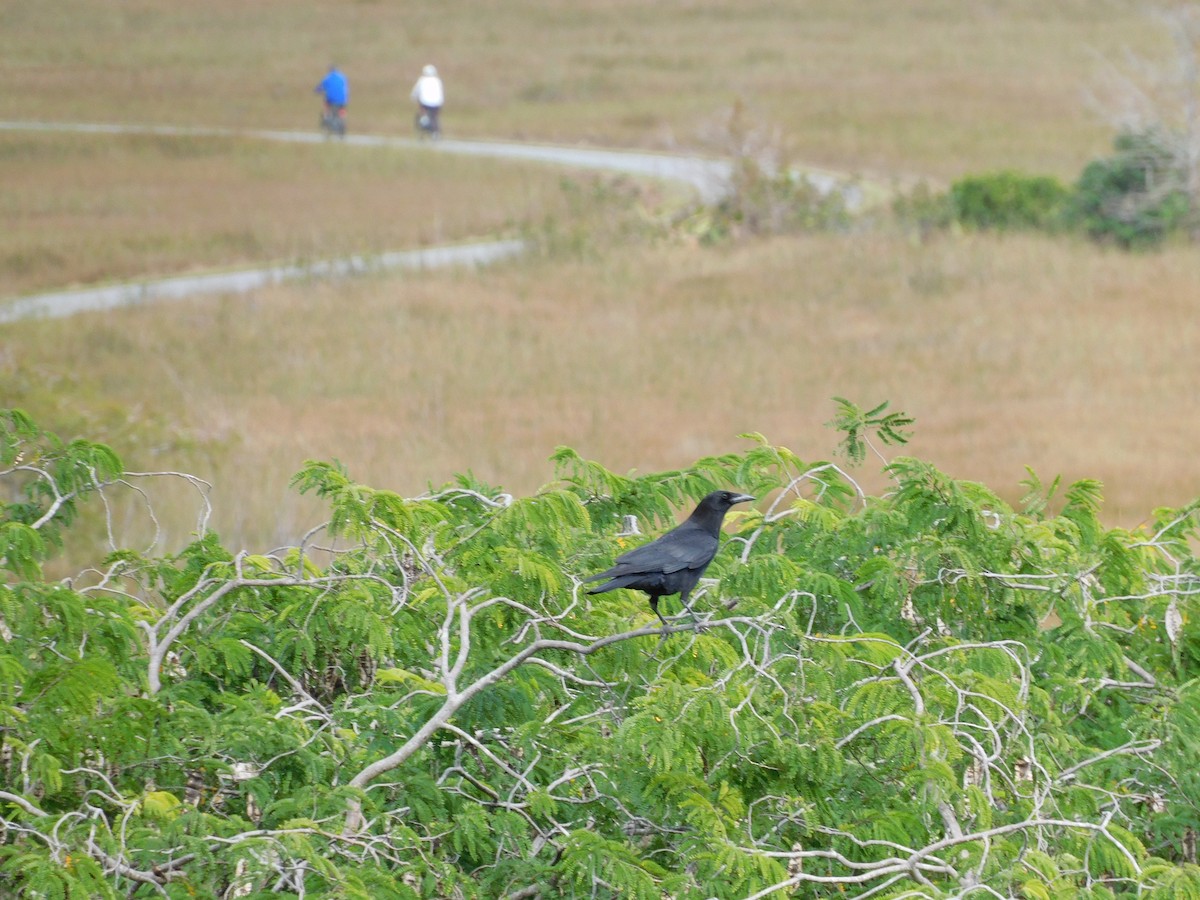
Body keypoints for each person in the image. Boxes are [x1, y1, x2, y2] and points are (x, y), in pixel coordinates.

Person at [411, 64, 444, 137]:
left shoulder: (422, 80)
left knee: (422, 110)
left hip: (425, 102)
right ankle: (435, 133)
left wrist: (413, 97)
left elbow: (416, 91)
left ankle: (424, 120)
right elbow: (441, 92)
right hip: (437, 102)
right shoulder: (438, 81)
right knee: (435, 117)